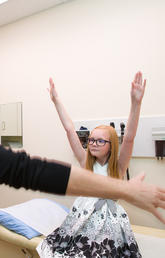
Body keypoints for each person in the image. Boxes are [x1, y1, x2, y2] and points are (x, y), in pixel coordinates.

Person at [36, 71, 150, 257]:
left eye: (100, 141)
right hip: (82, 219)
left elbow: (129, 137)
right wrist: (56, 101)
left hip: (109, 223)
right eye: (91, 140)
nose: (93, 144)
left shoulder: (118, 168)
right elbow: (69, 130)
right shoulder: (85, 163)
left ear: (111, 146)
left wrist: (136, 103)